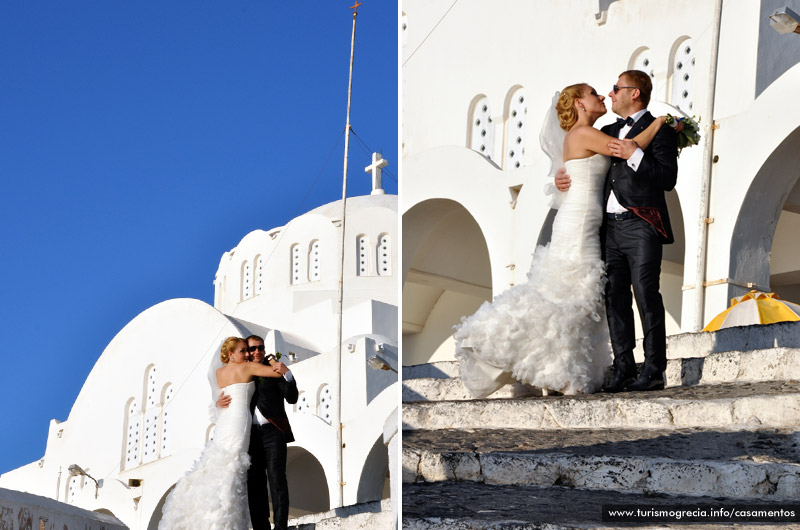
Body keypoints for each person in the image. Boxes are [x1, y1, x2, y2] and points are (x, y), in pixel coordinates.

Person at [454, 81, 672, 397]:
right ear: (580, 105)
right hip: (579, 221)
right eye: (594, 94)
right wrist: (661, 123)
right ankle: (550, 368)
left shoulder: (589, 134)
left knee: (571, 297)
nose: (601, 97)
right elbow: (628, 147)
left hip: (588, 221)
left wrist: (561, 176)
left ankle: (542, 368)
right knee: (570, 296)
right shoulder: (583, 134)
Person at [556, 70, 679, 393]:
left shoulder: (664, 132)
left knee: (646, 294)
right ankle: (624, 366)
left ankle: (654, 369)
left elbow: (666, 178)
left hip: (642, 223)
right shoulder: (607, 131)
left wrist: (636, 153)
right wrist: (560, 178)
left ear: (634, 93)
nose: (609, 94)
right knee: (614, 298)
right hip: (607, 229)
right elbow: (582, 160)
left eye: (615, 88)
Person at [158, 337, 283, 530]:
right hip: (238, 421)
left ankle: (210, 515)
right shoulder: (247, 367)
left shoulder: (218, 373)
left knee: (219, 462)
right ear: (231, 355)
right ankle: (221, 517)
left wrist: (217, 404)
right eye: (243, 351)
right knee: (232, 464)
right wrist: (272, 359)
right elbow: (276, 373)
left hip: (225, 419)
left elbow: (219, 398)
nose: (247, 354)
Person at [219, 334, 298, 530]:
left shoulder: (274, 369)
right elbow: (227, 390)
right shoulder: (242, 368)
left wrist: (288, 374)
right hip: (250, 434)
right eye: (251, 349)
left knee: (277, 478)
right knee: (255, 483)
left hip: (273, 431)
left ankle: (280, 527)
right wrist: (218, 402)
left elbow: (292, 398)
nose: (255, 352)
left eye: (260, 348)